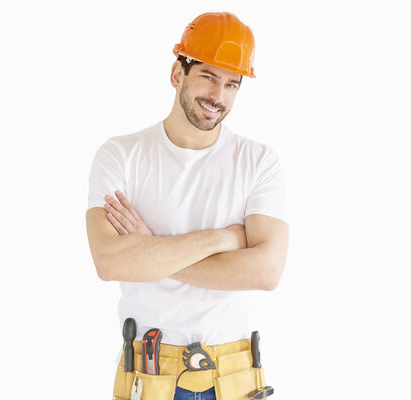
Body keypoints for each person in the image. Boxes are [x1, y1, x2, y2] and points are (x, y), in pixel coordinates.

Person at [85, 11, 289, 400]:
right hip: (150, 374)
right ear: (178, 73)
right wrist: (223, 238)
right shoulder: (120, 156)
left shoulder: (259, 162)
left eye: (232, 84)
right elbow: (111, 262)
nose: (218, 96)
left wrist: (150, 250)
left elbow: (266, 272)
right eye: (208, 76)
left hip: (235, 376)